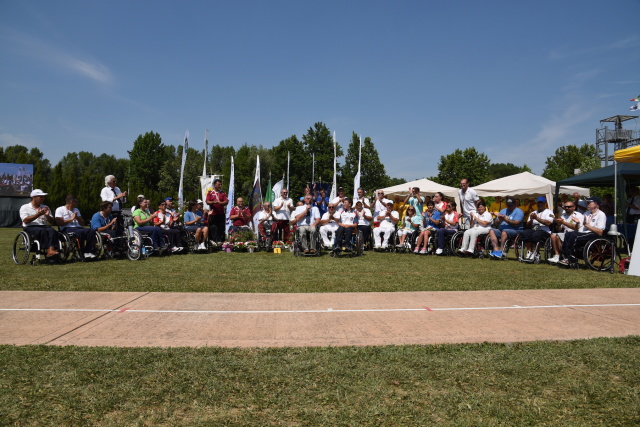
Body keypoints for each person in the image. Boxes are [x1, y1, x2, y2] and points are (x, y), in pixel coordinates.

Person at [559, 196, 607, 266]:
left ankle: (570, 258)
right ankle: (564, 257)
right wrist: (578, 223)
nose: (587, 204)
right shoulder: (586, 213)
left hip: (594, 234)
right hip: (584, 233)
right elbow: (580, 227)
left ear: (595, 204)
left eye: (589, 203)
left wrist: (587, 226)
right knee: (568, 234)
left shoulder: (601, 215)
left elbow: (600, 232)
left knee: (574, 235)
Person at [19, 189, 60, 258]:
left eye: (43, 197)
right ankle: (49, 250)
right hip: (30, 227)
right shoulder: (25, 207)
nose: (43, 199)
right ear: (34, 197)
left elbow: (52, 222)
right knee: (42, 231)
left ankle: (51, 249)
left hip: (43, 226)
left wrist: (47, 215)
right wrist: (38, 214)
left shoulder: (45, 207)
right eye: (41, 197)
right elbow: (26, 220)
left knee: (52, 230)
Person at [55, 194, 97, 259]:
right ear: (72, 202)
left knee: (91, 231)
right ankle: (81, 252)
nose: (77, 204)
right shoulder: (60, 209)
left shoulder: (76, 209)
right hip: (66, 229)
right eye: (76, 202)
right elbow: (59, 223)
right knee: (80, 232)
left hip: (78, 227)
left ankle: (89, 251)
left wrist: (77, 217)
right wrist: (71, 219)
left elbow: (82, 223)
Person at [520, 196, 554, 261]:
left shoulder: (549, 212)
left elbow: (548, 223)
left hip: (545, 231)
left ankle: (536, 253)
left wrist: (536, 218)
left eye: (541, 203)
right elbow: (527, 226)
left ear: (545, 203)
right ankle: (529, 252)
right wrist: (531, 220)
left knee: (537, 234)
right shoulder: (533, 213)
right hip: (534, 229)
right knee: (525, 233)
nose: (540, 204)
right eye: (538, 203)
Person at [205, 178, 229, 243]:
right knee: (213, 227)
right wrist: (213, 202)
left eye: (221, 184)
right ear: (215, 185)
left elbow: (226, 202)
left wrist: (220, 203)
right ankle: (214, 240)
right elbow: (207, 201)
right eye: (219, 184)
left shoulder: (223, 193)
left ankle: (221, 241)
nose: (220, 186)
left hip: (221, 213)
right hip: (213, 214)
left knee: (221, 228)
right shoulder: (210, 193)